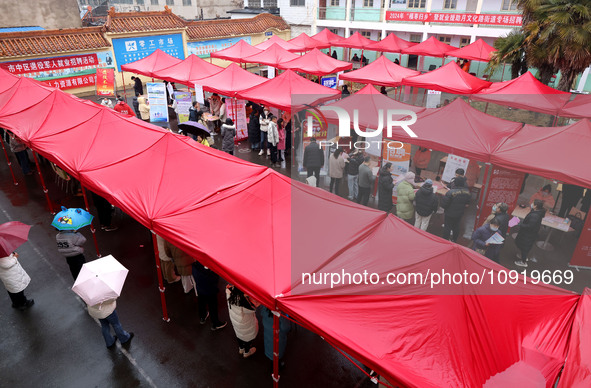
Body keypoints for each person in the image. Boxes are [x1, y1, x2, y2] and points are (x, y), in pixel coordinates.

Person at [226, 284, 260, 358]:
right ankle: (247, 352)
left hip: (235, 321)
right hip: (246, 323)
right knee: (247, 337)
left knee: (239, 335)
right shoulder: (244, 302)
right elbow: (253, 307)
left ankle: (241, 348)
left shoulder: (229, 291)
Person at [192, 260, 227, 331]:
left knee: (201, 303)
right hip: (210, 291)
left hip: (200, 289)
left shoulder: (195, 266)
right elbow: (215, 279)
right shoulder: (210, 273)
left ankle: (202, 317)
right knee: (213, 307)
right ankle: (215, 323)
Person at [515, 199, 546, 267]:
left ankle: (523, 262)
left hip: (527, 234)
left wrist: (520, 224)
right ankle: (524, 257)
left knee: (524, 247)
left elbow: (530, 226)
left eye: (533, 203)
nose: (531, 204)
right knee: (524, 246)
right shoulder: (537, 212)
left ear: (535, 206)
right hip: (529, 234)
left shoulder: (535, 216)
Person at [440, 175, 471, 242]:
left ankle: (445, 240)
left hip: (449, 213)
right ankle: (454, 240)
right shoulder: (467, 192)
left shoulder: (451, 192)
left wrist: (443, 198)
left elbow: (444, 204)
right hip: (459, 213)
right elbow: (467, 204)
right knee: (456, 227)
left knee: (447, 227)